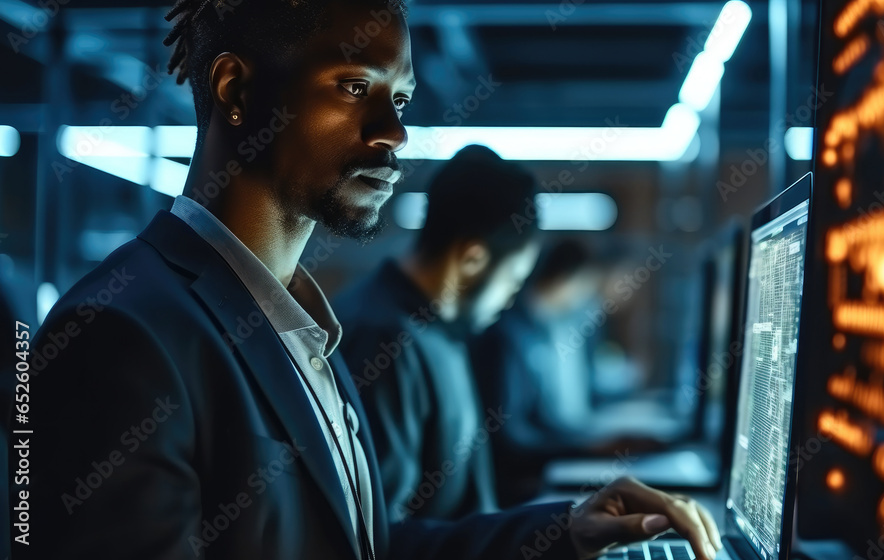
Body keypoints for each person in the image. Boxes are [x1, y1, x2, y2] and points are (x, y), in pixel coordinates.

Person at [25, 1, 723, 559]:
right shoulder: (119, 335)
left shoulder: (303, 329)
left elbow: (369, 546)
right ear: (235, 89)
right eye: (355, 86)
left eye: (402, 98)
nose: (394, 132)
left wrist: (565, 531)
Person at [336, 144, 539, 522]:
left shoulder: (437, 329)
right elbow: (381, 539)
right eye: (513, 280)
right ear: (473, 258)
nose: (511, 299)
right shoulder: (384, 339)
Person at [473, 240, 663, 505]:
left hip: (542, 461)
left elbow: (547, 418)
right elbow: (511, 441)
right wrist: (588, 448)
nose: (585, 298)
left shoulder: (542, 329)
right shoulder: (509, 336)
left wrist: (591, 444)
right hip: (518, 485)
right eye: (583, 287)